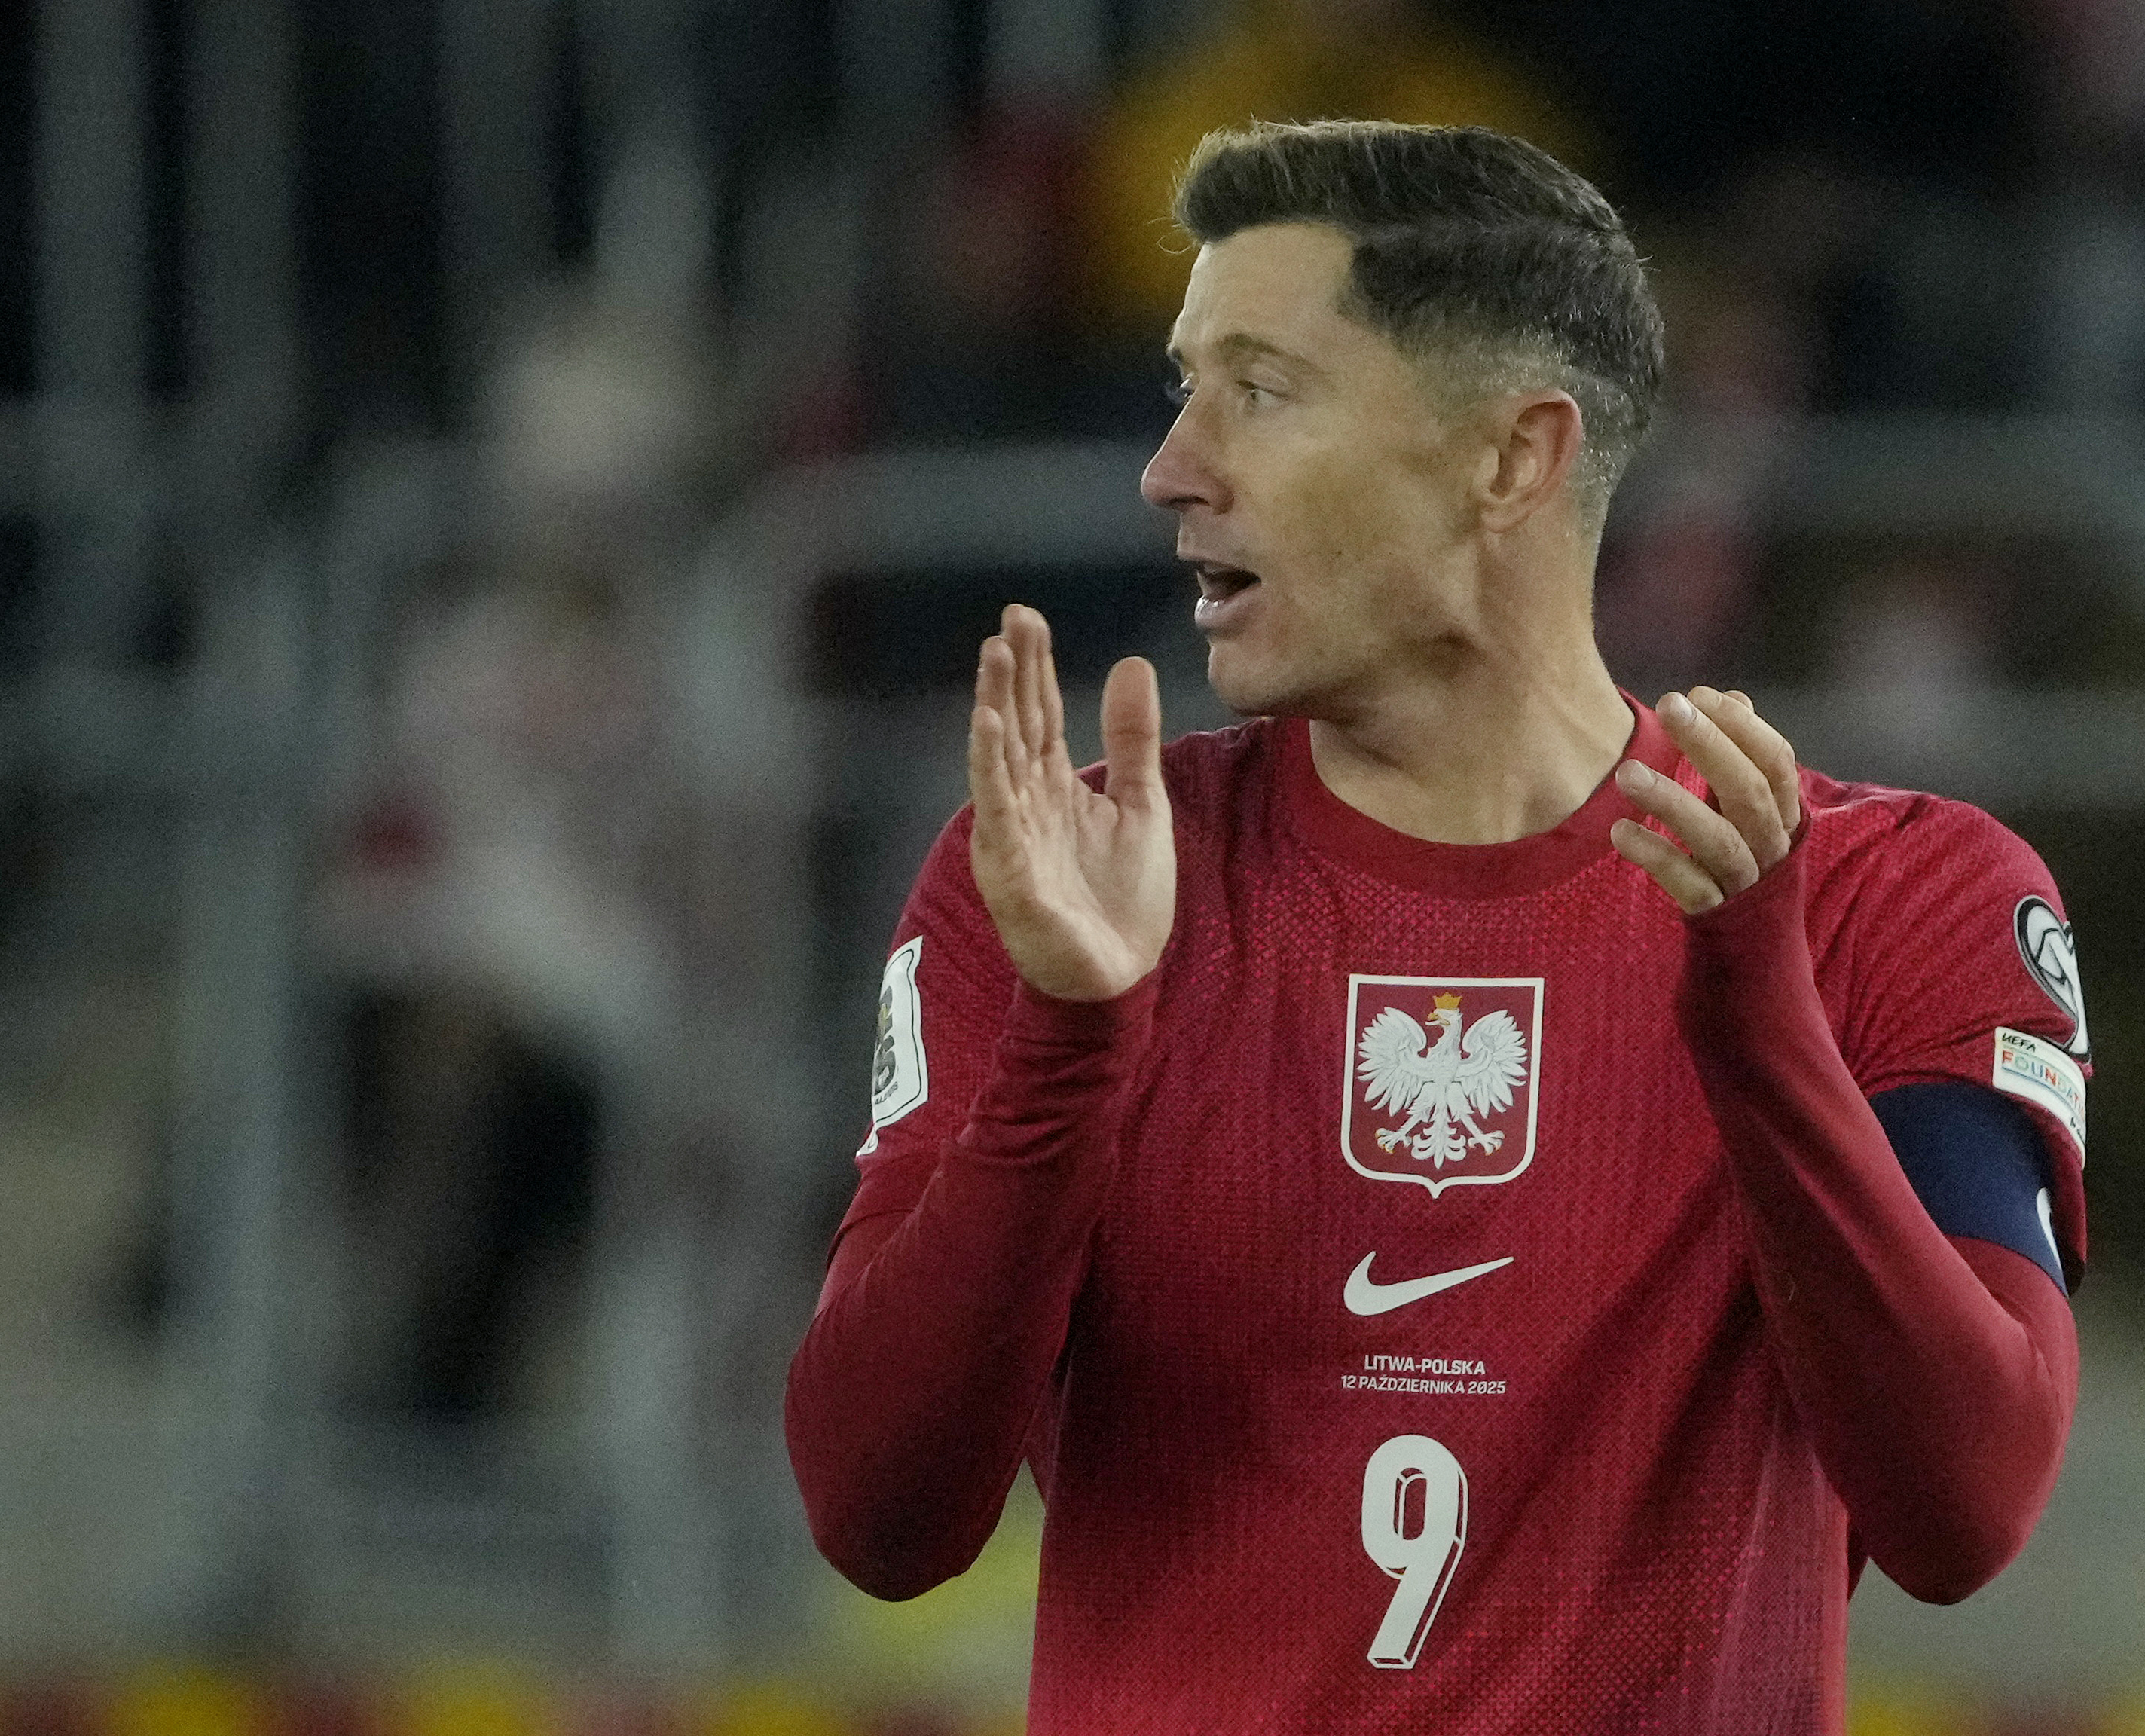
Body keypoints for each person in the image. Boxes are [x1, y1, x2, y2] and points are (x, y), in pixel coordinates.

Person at [784, 121, 2088, 1731]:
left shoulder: (1895, 899)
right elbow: (875, 1515)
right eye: (1180, 388)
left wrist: (1761, 1037)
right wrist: (1068, 1045)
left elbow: (1967, 1506)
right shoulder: (1070, 876)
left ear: (1509, 459)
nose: (1172, 465)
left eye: (1259, 389)